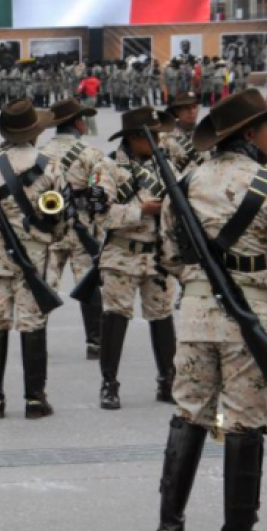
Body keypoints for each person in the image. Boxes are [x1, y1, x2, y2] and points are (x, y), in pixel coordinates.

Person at [156, 90, 267, 531]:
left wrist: (200, 284)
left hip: (196, 313)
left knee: (189, 414)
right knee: (245, 425)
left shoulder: (185, 184)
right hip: (253, 318)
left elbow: (170, 255)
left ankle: (170, 523)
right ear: (251, 134)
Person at [0, 100, 68, 419]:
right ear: (35, 132)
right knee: (32, 323)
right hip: (35, 253)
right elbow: (63, 215)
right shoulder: (50, 164)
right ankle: (35, 399)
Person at [98, 108, 178, 410]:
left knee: (162, 317)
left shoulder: (166, 165)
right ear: (134, 138)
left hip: (157, 256)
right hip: (122, 253)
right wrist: (141, 211)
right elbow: (100, 214)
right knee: (116, 317)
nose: (158, 140)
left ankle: (167, 380)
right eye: (152, 135)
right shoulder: (109, 167)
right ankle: (109, 383)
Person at [39, 99, 115, 359]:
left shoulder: (40, 152)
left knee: (45, 283)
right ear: (77, 123)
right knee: (89, 283)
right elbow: (103, 194)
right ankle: (95, 342)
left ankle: (35, 337)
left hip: (50, 227)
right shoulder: (90, 153)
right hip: (82, 227)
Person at [160, 94, 208, 175]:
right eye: (186, 108)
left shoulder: (206, 133)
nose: (192, 111)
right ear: (177, 111)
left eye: (194, 107)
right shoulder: (165, 137)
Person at [77, 70, 102, 135]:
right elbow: (99, 89)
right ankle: (92, 131)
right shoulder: (97, 80)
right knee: (90, 114)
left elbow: (79, 89)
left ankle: (88, 131)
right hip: (93, 98)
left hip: (86, 99)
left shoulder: (84, 81)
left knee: (87, 115)